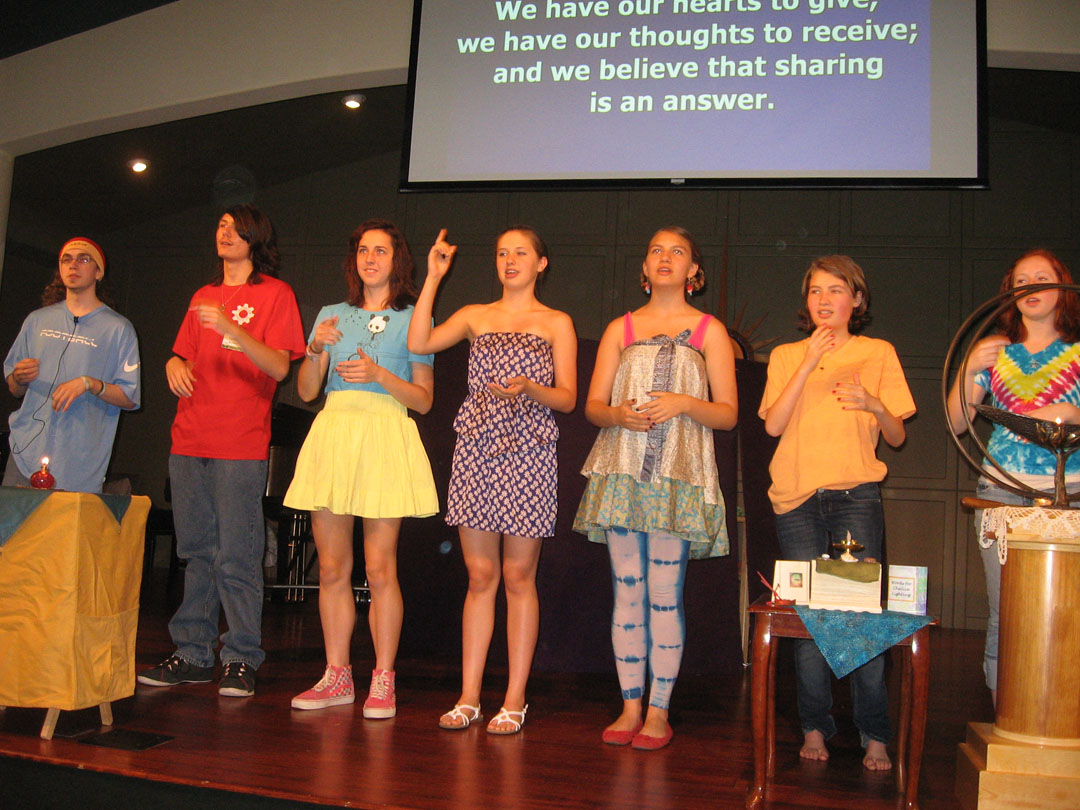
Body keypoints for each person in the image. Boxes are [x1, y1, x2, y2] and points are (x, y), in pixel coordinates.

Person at [407, 226, 577, 734]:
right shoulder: (475, 315)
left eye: (521, 252)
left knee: (518, 576)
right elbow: (419, 342)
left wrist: (530, 389)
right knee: (480, 576)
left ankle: (515, 698)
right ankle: (469, 696)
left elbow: (568, 397)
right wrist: (433, 277)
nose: (510, 260)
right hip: (477, 449)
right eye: (502, 252)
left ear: (541, 263)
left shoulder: (556, 322)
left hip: (530, 450)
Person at [574, 226, 737, 751]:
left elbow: (728, 414)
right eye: (656, 251)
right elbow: (593, 406)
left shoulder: (710, 331)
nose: (665, 257)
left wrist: (685, 403)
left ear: (694, 270)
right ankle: (629, 706)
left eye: (678, 251)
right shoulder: (620, 328)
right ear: (644, 268)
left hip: (677, 478)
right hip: (622, 473)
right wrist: (617, 415)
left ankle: (659, 711)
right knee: (627, 591)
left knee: (665, 595)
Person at [138, 204, 305, 698]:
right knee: (196, 553)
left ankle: (241, 657)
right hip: (190, 438)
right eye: (220, 225)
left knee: (237, 555)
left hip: (239, 443)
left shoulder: (275, 294)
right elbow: (183, 355)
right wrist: (172, 363)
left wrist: (232, 329)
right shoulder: (203, 295)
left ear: (255, 237)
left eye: (235, 228)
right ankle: (192, 653)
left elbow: (279, 367)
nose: (225, 233)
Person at [759, 254, 915, 770]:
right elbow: (773, 426)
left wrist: (874, 404)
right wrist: (808, 362)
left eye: (836, 290)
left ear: (857, 299)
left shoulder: (877, 352)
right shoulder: (787, 355)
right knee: (810, 618)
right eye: (815, 291)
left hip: (855, 495)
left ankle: (874, 732)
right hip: (797, 497)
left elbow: (897, 435)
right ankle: (814, 726)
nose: (824, 300)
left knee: (861, 617)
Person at [285, 219, 438, 716]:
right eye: (363, 250)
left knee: (379, 567)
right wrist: (314, 349)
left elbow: (424, 400)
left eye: (381, 250)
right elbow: (307, 391)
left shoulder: (413, 319)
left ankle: (383, 679)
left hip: (384, 433)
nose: (370, 258)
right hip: (335, 433)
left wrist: (378, 374)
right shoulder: (331, 315)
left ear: (398, 260)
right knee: (331, 566)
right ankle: (337, 676)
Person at [946, 248, 1080, 706]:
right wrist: (968, 368)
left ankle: (1059, 712)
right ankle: (1005, 711)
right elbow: (958, 422)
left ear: (1062, 287)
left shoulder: (1077, 353)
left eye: (1042, 277)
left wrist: (1069, 413)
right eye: (1022, 280)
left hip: (1068, 494)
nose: (1032, 286)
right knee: (1006, 609)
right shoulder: (995, 353)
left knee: (1067, 607)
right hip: (1000, 490)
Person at [4, 237, 140, 492]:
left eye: (83, 259)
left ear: (98, 272)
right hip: (24, 453)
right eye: (66, 259)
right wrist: (19, 378)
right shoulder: (37, 321)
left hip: (80, 462)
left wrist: (89, 384)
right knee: (15, 519)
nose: (73, 265)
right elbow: (14, 388)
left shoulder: (118, 329)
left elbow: (130, 398)